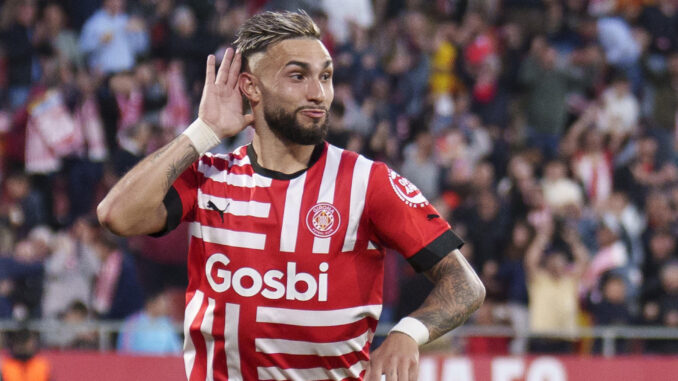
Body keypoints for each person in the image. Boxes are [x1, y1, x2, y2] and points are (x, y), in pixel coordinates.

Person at [98, 10, 485, 381]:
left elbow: (465, 283)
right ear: (251, 86)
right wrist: (203, 131)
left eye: (326, 76)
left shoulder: (368, 182)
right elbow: (117, 215)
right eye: (298, 76)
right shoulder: (209, 175)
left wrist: (409, 333)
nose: (318, 93)